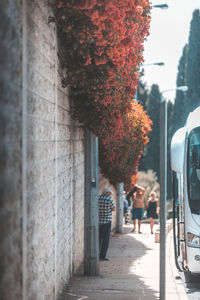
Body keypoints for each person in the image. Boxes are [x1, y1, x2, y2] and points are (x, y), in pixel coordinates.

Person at [98, 186, 115, 261]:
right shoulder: (109, 199)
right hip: (107, 221)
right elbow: (113, 208)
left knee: (98, 238)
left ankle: (96, 254)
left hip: (99, 221)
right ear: (107, 192)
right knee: (105, 240)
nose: (110, 194)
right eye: (110, 193)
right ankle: (102, 256)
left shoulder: (98, 198)